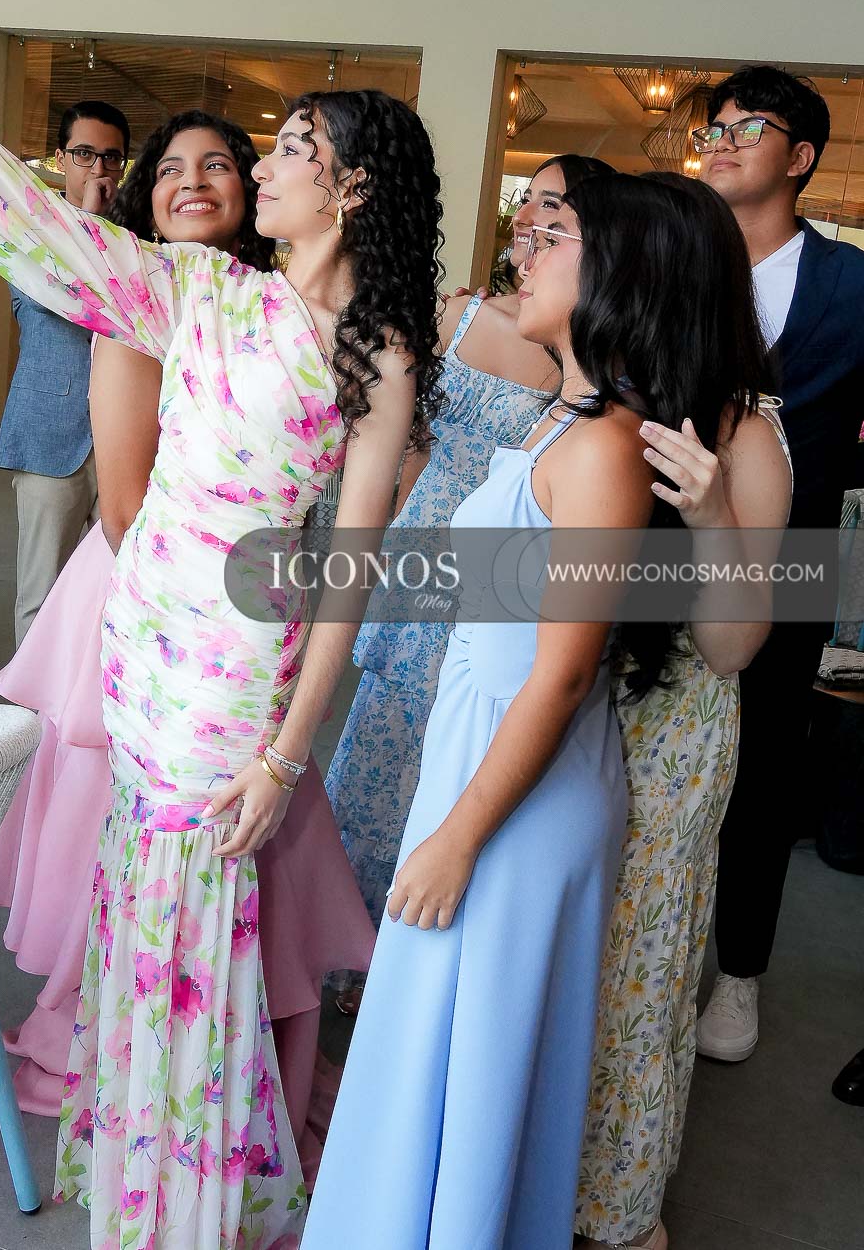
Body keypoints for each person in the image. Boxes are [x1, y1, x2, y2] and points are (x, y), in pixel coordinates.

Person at [0, 0, 443, 1250]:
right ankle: (140, 1177)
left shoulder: (377, 355)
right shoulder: (204, 290)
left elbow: (349, 568)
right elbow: (35, 226)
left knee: (194, 947)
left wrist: (287, 755)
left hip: (233, 687)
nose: (263, 166)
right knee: (139, 926)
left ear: (352, 186)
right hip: (143, 653)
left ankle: (184, 1212)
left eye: (291, 148)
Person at [0, 111, 374, 1183]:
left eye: (224, 164)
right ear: (145, 193)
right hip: (156, 604)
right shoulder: (160, 296)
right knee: (142, 858)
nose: (198, 183)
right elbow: (120, 505)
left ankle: (213, 1100)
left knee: (245, 872)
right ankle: (150, 1094)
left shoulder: (299, 316)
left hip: (249, 624)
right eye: (173, 170)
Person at [307, 172, 701, 1249]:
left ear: (615, 269)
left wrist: (457, 837)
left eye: (552, 235)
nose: (522, 252)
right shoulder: (562, 424)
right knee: (436, 1046)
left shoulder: (606, 447)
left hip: (518, 785)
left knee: (470, 1061)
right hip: (484, 748)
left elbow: (562, 673)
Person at [326, 154, 609, 1008]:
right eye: (530, 202)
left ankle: (415, 943)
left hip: (501, 572)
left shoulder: (578, 351)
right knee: (378, 743)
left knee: (451, 752)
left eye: (555, 209)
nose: (532, 220)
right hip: (424, 545)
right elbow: (409, 443)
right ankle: (343, 940)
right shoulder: (460, 314)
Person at [575, 174, 792, 1250]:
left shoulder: (747, 431)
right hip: (574, 714)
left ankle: (621, 1214)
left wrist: (711, 518)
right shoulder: (594, 393)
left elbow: (734, 645)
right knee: (565, 962)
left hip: (669, 737)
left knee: (635, 981)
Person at [691, 66, 864, 1064]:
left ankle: (740, 972)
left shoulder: (851, 284)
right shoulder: (677, 257)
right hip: (657, 547)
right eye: (713, 126)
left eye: (747, 126)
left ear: (800, 157)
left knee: (762, 767)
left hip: (789, 562)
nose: (721, 140)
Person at [0, 98, 131, 644]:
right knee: (42, 592)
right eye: (85, 154)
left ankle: (93, 697)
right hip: (51, 431)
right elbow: (59, 302)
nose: (99, 168)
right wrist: (92, 222)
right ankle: (30, 699)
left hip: (127, 438)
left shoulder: (139, 240)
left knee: (115, 592)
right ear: (60, 158)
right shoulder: (30, 230)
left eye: (112, 157)